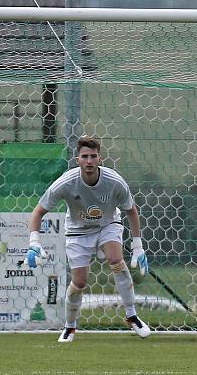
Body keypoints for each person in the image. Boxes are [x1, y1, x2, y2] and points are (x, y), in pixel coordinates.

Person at [25, 135, 151, 342]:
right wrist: (34, 243)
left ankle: (132, 316)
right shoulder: (66, 182)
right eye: (85, 156)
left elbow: (131, 211)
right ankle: (70, 326)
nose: (89, 161)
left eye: (93, 156)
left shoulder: (114, 181)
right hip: (77, 231)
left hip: (107, 225)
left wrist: (138, 247)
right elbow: (38, 211)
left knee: (116, 261)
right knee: (80, 282)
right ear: (78, 160)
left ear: (100, 159)